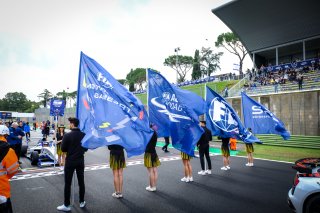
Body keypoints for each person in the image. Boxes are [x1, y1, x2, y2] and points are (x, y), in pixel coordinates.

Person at [57, 117, 87, 212]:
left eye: (70, 123)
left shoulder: (67, 135)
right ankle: (82, 201)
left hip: (70, 161)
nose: (69, 125)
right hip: (80, 160)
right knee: (81, 182)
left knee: (67, 183)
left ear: (72, 124)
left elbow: (63, 149)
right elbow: (86, 148)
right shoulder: (84, 135)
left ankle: (67, 204)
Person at [0, 125, 19, 213]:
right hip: (2, 190)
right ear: (5, 135)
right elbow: (13, 170)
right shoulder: (8, 150)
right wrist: (6, 177)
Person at [144, 125, 161, 191]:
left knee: (150, 171)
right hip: (154, 152)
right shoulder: (155, 133)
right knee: (155, 170)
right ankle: (154, 186)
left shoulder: (148, 134)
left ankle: (151, 186)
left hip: (148, 153)